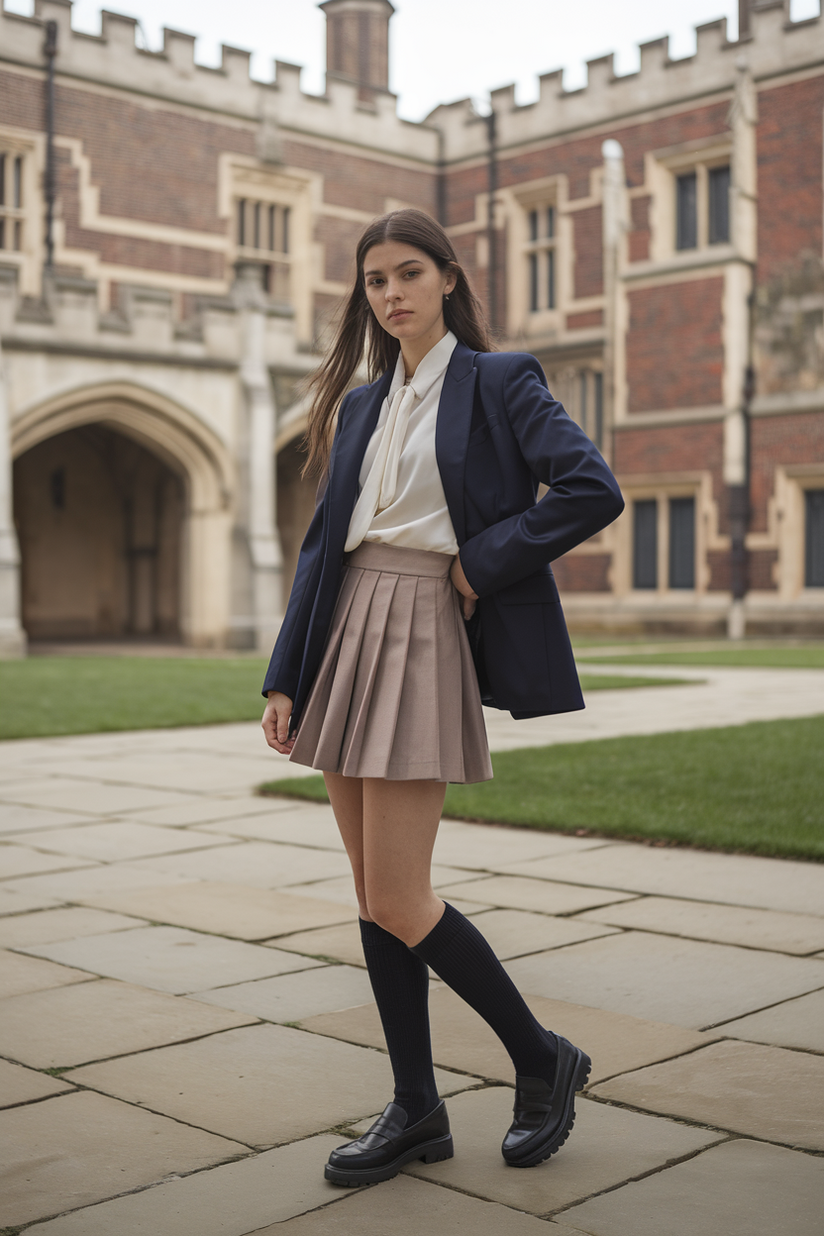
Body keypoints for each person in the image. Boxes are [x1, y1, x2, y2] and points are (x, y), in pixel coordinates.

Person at [261, 208, 624, 1186]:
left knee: (399, 892)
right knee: (371, 898)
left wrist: (481, 564)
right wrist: (285, 673)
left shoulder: (501, 381)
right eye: (374, 280)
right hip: (344, 632)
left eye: (407, 273)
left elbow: (588, 487)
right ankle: (416, 1107)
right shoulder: (364, 407)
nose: (390, 294)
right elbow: (319, 546)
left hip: (423, 625)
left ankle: (541, 1058)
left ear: (449, 279)